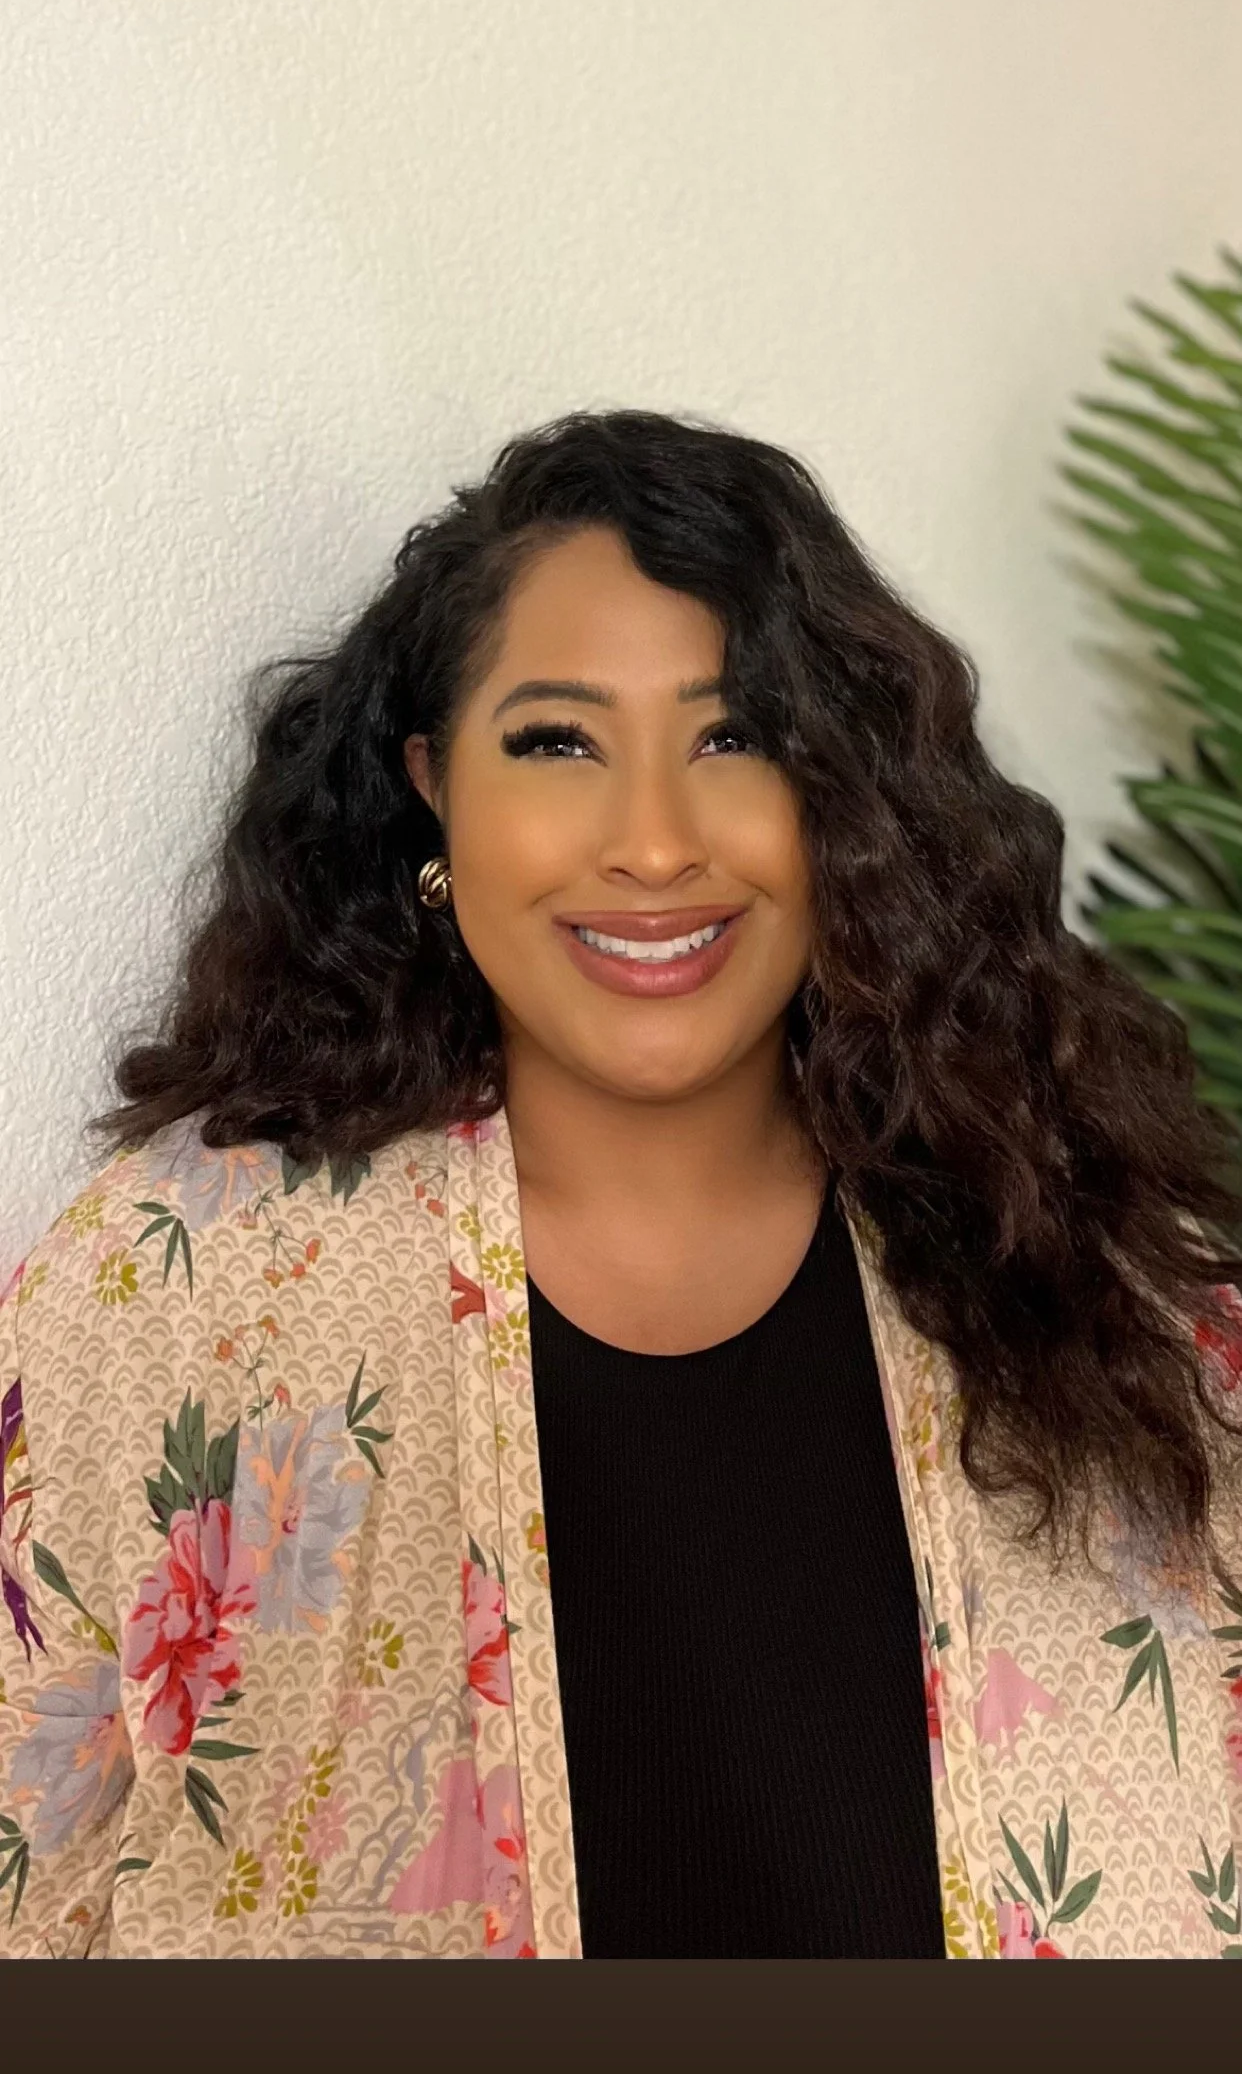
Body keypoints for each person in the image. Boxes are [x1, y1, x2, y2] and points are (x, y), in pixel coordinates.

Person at [3, 407, 1242, 1961]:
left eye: (734, 738)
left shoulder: (1119, 1297)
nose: (653, 845)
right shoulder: (171, 1293)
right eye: (555, 742)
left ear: (846, 801)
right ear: (432, 791)